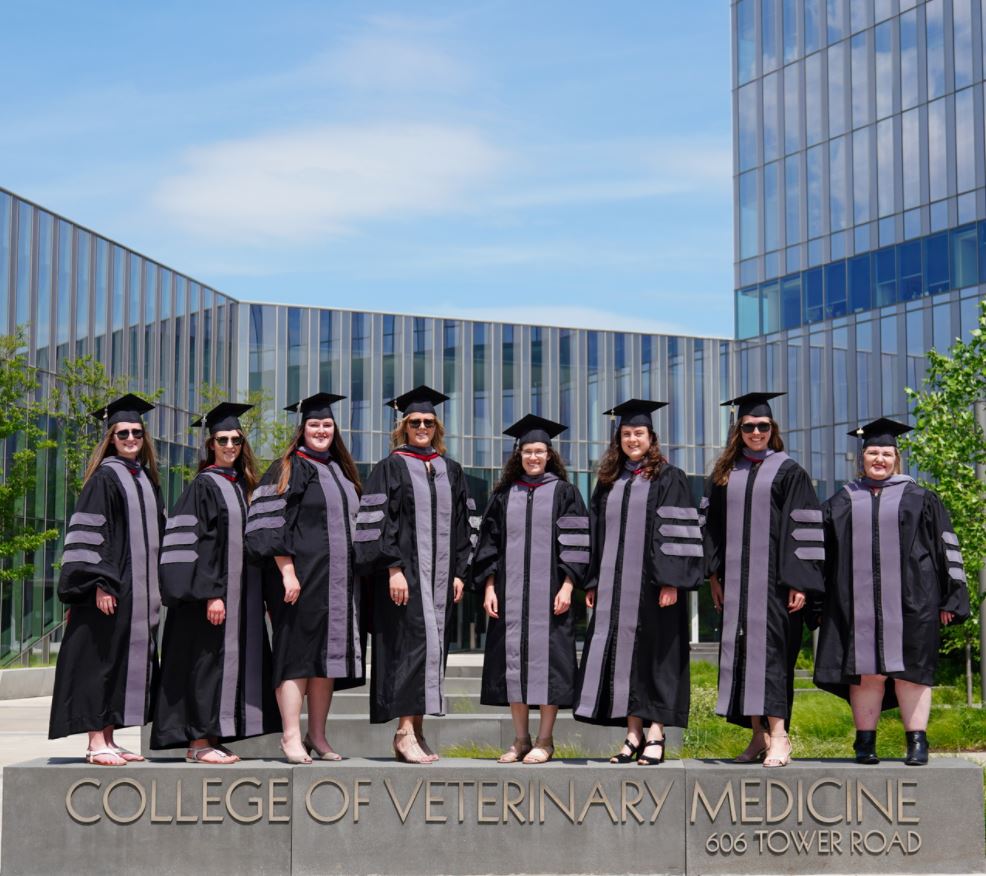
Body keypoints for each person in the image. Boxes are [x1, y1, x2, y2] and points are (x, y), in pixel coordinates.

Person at [813, 418, 970, 765]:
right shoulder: (842, 500)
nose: (879, 459)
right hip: (856, 605)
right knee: (866, 671)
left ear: (896, 458)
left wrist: (952, 596)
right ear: (861, 457)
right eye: (873, 452)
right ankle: (864, 743)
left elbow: (947, 548)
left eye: (886, 453)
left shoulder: (921, 498)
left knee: (911, 671)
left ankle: (917, 742)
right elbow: (822, 556)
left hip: (915, 602)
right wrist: (818, 602)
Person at [575, 400, 704, 765]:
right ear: (619, 438)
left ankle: (657, 733)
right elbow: (597, 535)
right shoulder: (609, 482)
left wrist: (671, 581)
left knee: (657, 658)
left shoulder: (669, 477)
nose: (633, 439)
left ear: (652, 437)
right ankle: (631, 733)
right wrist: (595, 581)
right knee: (624, 659)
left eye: (639, 433)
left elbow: (678, 532)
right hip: (616, 590)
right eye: (627, 433)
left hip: (654, 589)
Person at [151, 403, 280, 763]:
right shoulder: (204, 486)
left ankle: (212, 736)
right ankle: (198, 743)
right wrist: (212, 594)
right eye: (222, 439)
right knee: (206, 665)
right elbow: (196, 545)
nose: (229, 445)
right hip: (212, 601)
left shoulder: (242, 486)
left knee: (224, 666)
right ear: (210, 445)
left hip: (241, 601)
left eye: (236, 440)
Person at [704, 392, 825, 768]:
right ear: (738, 431)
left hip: (775, 587)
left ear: (773, 430)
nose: (756, 432)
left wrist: (800, 582)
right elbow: (713, 530)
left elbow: (802, 527)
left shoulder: (789, 471)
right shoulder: (726, 474)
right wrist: (713, 577)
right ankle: (758, 737)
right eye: (749, 426)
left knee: (772, 658)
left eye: (763, 426)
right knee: (743, 657)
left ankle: (781, 736)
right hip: (737, 586)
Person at [354, 385, 472, 764]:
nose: (422, 426)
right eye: (415, 421)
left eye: (428, 422)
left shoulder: (449, 469)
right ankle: (404, 732)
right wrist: (392, 568)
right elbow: (375, 522)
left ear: (437, 427)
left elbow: (462, 526)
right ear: (403, 426)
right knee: (409, 648)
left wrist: (458, 572)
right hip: (406, 579)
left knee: (431, 652)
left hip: (440, 581)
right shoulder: (390, 467)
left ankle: (416, 730)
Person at [245, 392, 364, 764]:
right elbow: (269, 522)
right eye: (314, 424)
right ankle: (291, 737)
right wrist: (287, 572)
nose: (321, 430)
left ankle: (318, 736)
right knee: (297, 657)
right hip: (300, 581)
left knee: (325, 660)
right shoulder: (289, 467)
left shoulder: (341, 470)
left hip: (338, 585)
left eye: (327, 424)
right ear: (302, 429)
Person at [49, 395, 165, 765]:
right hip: (111, 588)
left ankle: (111, 738)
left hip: (139, 593)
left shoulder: (145, 478)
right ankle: (95, 740)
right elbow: (92, 534)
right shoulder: (105, 478)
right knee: (98, 660)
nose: (131, 437)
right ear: (111, 439)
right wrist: (100, 583)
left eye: (136, 432)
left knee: (119, 661)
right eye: (123, 432)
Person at [470, 415, 590, 764]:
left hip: (551, 596)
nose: (533, 457)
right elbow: (488, 547)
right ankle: (520, 740)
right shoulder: (505, 495)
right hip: (509, 596)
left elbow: (577, 545)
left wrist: (569, 585)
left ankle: (545, 739)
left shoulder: (566, 493)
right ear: (518, 455)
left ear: (550, 455)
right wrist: (489, 588)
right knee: (514, 667)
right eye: (527, 452)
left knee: (549, 666)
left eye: (539, 451)